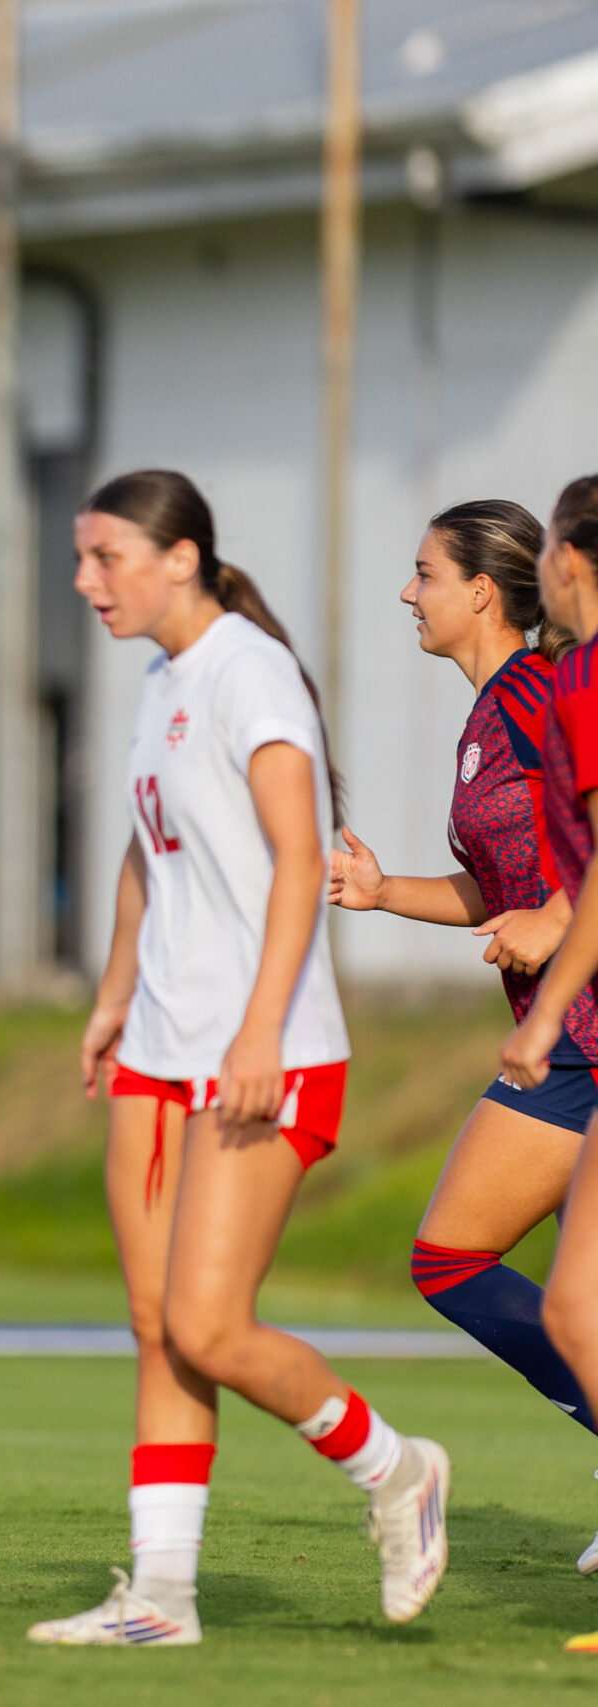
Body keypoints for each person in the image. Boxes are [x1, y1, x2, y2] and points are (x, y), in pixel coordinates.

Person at [29, 469, 448, 1648]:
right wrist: (115, 993)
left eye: (104, 557)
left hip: (266, 1052)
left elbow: (299, 856)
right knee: (157, 1326)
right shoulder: (160, 679)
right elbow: (143, 848)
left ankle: (397, 1470)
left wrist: (260, 1027)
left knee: (209, 1326)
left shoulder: (246, 671)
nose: (84, 580)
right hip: (158, 1050)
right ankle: (160, 1599)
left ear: (180, 558)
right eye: (81, 557)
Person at [330, 503, 598, 1515]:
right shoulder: (490, 714)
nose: (408, 593)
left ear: (482, 591)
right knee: (581, 1305)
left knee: (449, 1257)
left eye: (425, 573)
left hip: (581, 1033)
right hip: (563, 1029)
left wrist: (558, 915)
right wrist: (382, 891)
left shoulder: (541, 691)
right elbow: (500, 887)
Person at [493, 475, 598, 1653]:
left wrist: (546, 1012)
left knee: (571, 1305)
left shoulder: (577, 680)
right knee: (573, 1305)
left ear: (565, 558)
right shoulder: (567, 677)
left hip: (584, 1032)